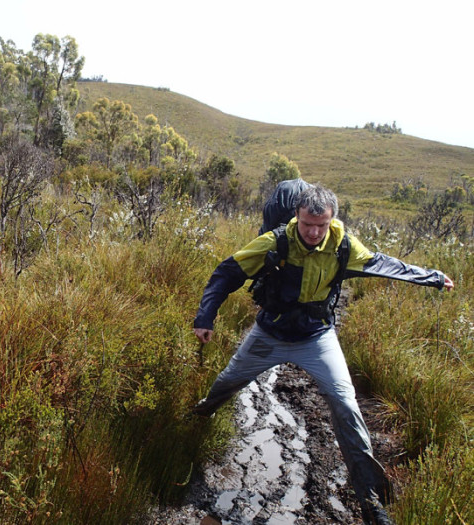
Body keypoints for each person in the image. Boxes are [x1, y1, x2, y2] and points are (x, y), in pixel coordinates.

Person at [191, 184, 454, 525]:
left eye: (321, 225)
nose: (314, 233)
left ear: (332, 219)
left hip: (317, 337)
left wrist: (431, 277)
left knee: (345, 402)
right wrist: (205, 317)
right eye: (307, 225)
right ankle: (198, 420)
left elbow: (380, 263)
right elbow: (227, 273)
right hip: (269, 333)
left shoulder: (343, 244)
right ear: (296, 218)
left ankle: (371, 501)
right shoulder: (275, 242)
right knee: (227, 383)